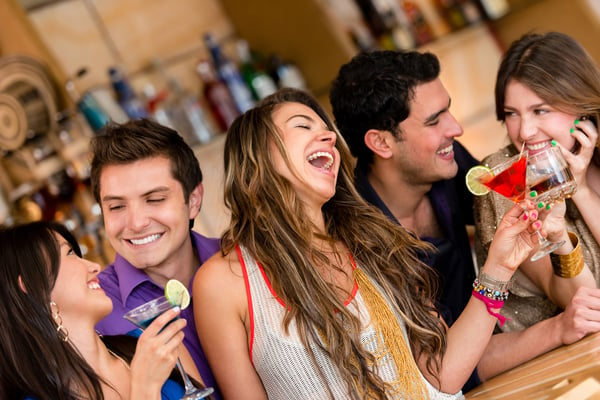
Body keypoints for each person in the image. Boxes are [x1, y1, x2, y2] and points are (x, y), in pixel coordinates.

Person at [193, 88, 542, 399]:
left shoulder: (372, 239)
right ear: (259, 156)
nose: (328, 136)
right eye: (304, 126)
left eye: (327, 128)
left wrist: (499, 267)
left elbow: (443, 374)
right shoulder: (224, 283)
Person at [329, 49, 480, 390]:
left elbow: (515, 215)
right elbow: (441, 368)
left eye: (449, 111)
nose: (455, 128)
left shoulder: (448, 163)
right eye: (434, 120)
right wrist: (557, 330)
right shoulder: (353, 239)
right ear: (381, 142)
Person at [474, 31, 600, 379]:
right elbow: (581, 302)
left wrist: (583, 193)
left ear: (582, 105)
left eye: (540, 110)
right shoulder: (504, 178)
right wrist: (560, 237)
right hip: (555, 368)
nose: (525, 131)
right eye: (511, 113)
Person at [90, 118, 222, 397]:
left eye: (154, 199)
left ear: (194, 200)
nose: (136, 223)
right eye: (116, 206)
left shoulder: (244, 261)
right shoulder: (94, 315)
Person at [0, 221, 200, 399]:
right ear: (34, 285)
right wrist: (144, 389)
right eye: (69, 253)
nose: (95, 266)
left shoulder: (152, 346)